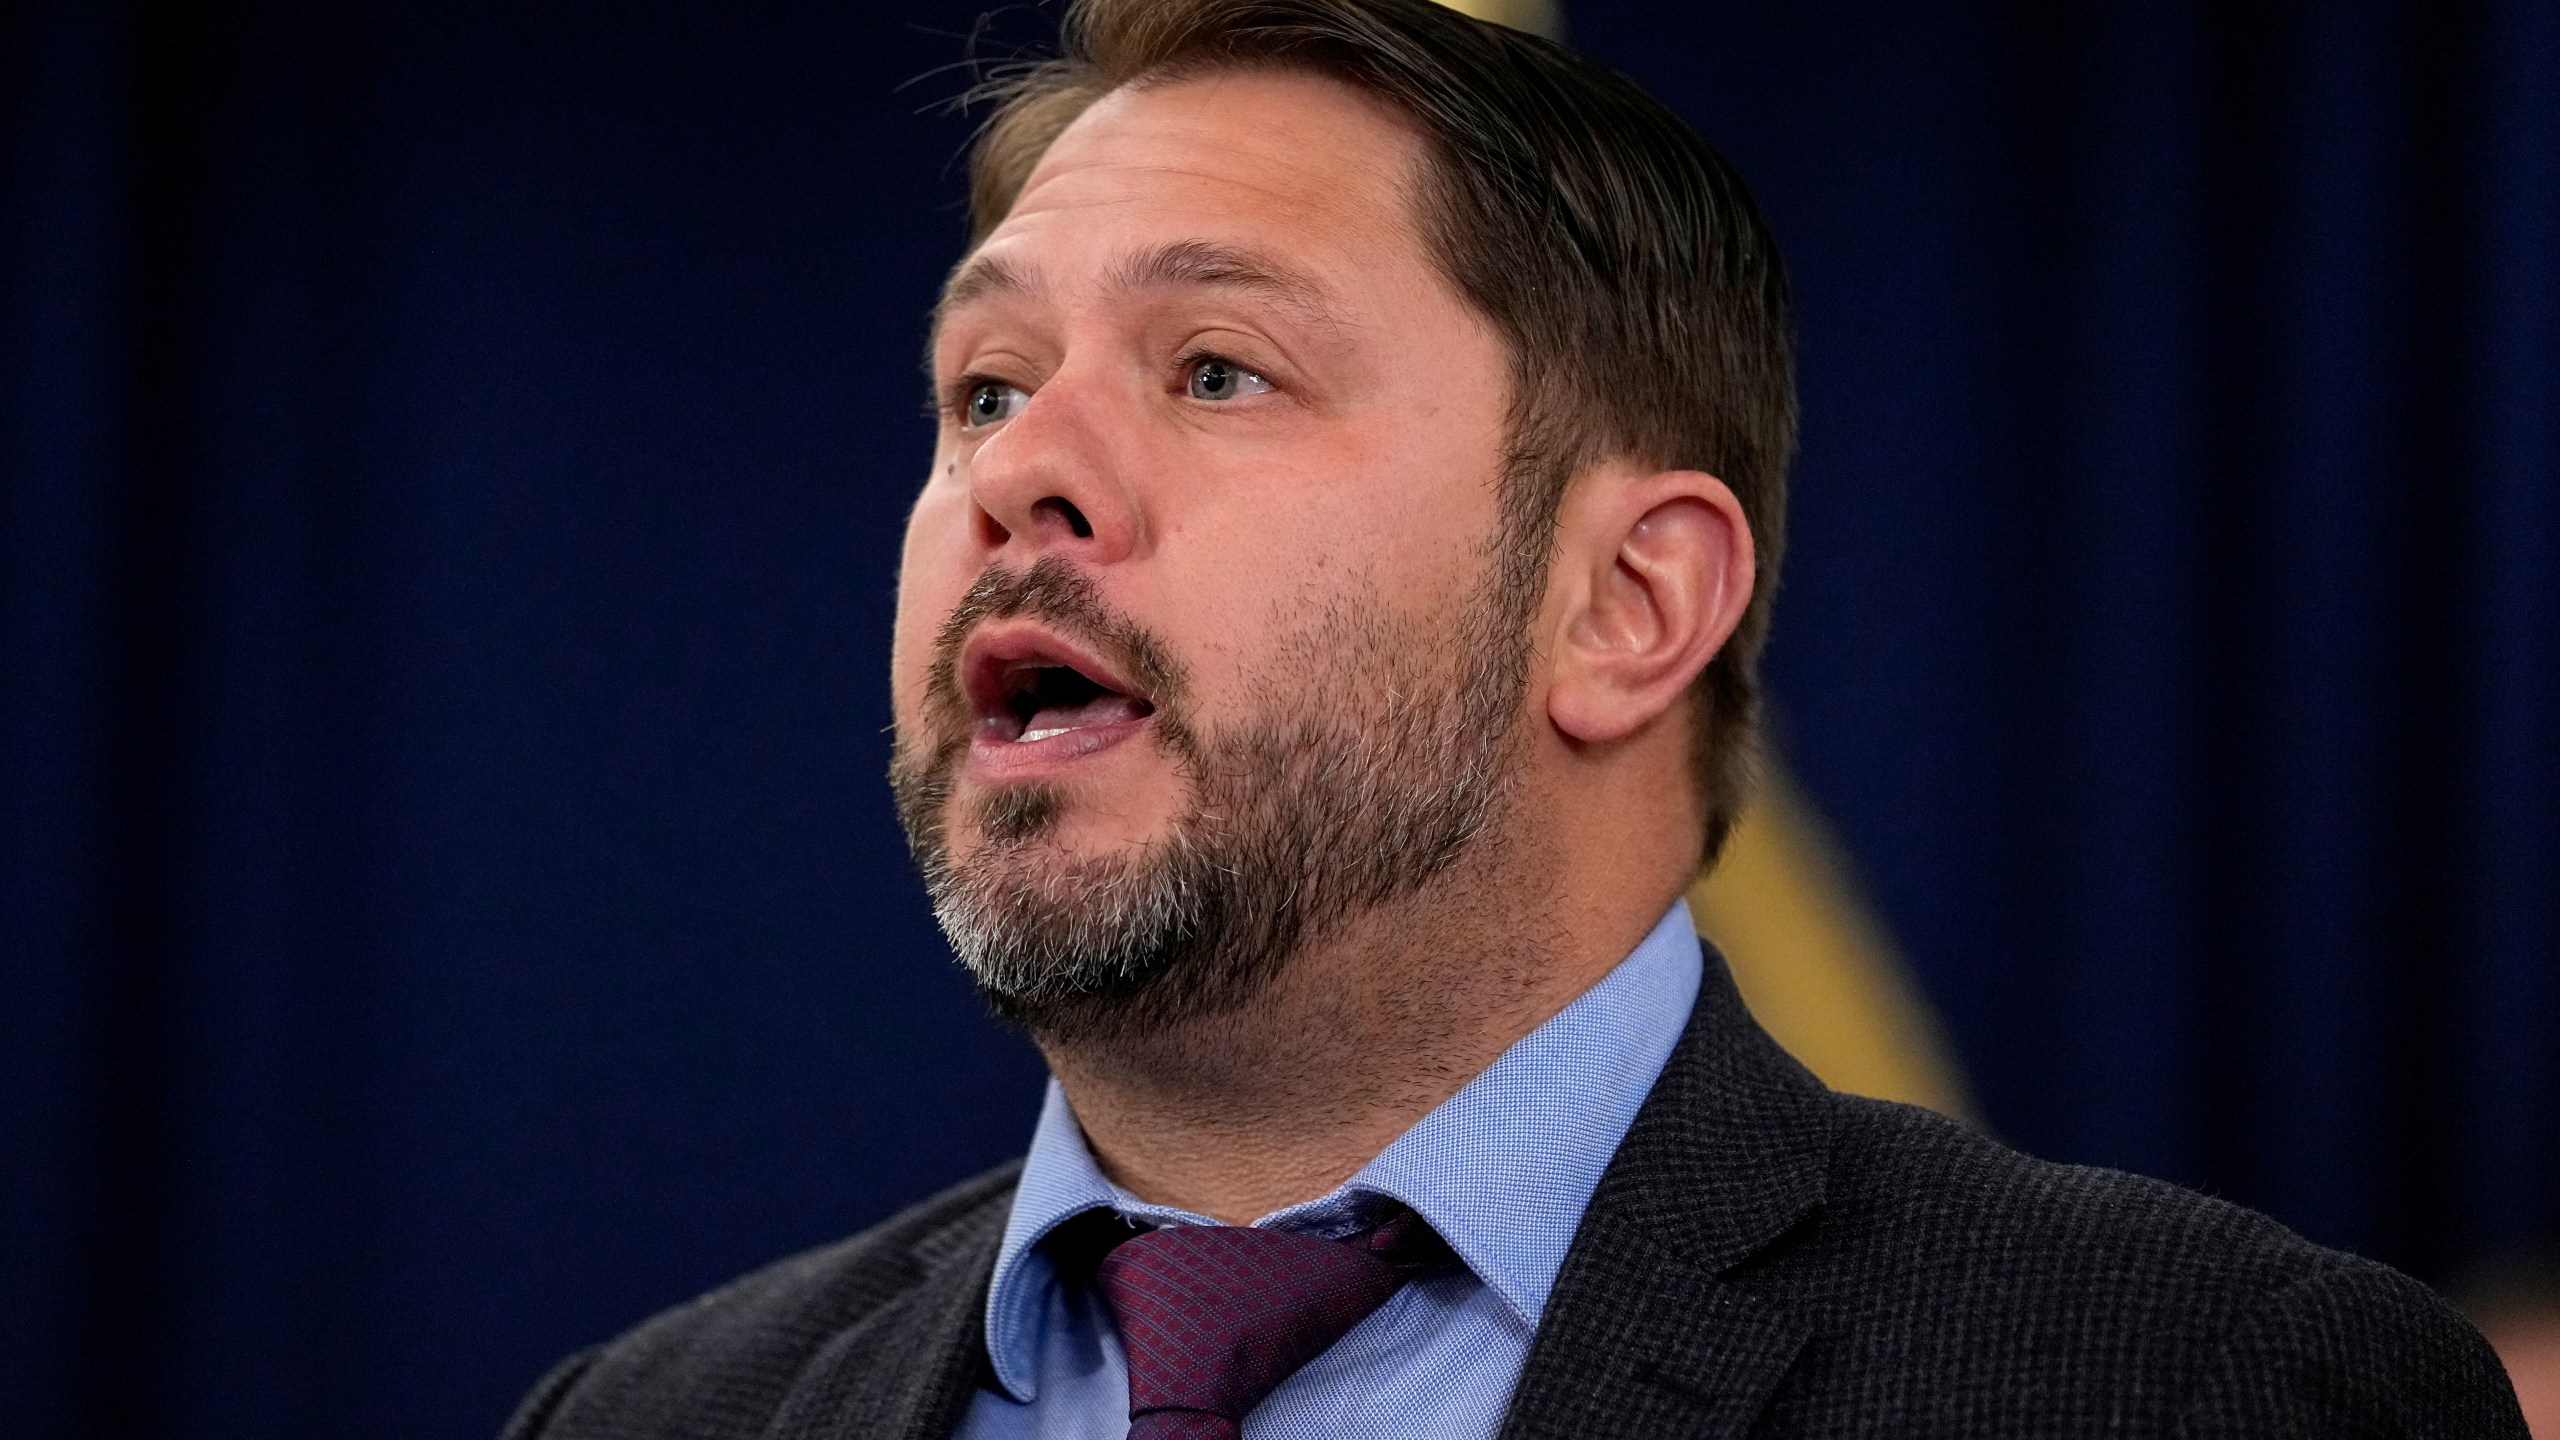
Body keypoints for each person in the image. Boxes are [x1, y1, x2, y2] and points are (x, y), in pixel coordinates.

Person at [502, 1, 2528, 1434]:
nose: (1026, 471)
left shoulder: (2183, 1390)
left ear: (1625, 603)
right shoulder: (653, 1415)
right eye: (984, 389)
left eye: (1215, 368)